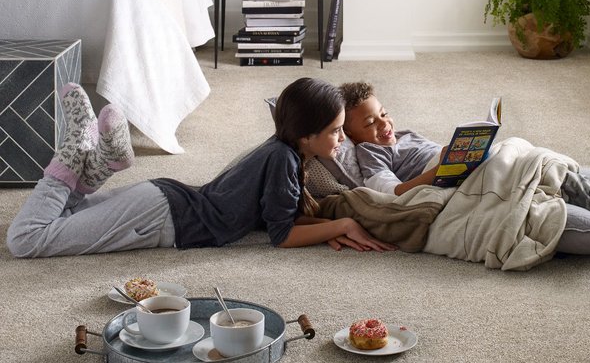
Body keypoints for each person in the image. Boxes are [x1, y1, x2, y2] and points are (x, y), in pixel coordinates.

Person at [6, 78, 395, 258]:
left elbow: (282, 220)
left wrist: (325, 229)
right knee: (28, 240)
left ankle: (99, 163)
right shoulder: (283, 160)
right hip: (161, 218)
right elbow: (282, 236)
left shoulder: (284, 151)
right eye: (336, 131)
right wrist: (342, 225)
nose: (342, 139)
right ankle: (73, 154)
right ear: (306, 136)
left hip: (160, 203)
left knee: (68, 213)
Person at [339, 81, 590, 263]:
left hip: (466, 166)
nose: (383, 125)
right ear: (351, 134)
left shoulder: (401, 135)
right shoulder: (369, 154)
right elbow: (394, 193)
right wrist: (442, 167)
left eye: (384, 113)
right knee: (543, 174)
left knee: (544, 170)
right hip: (454, 179)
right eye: (370, 123)